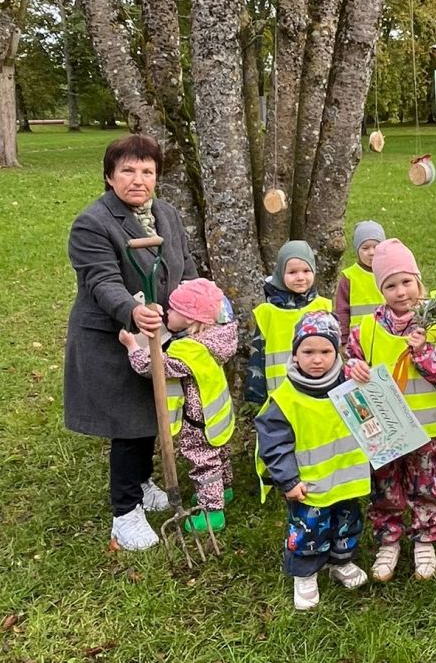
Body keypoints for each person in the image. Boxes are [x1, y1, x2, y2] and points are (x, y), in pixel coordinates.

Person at [64, 134, 199, 551]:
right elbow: (101, 280)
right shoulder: (93, 223)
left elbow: (186, 265)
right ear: (109, 176)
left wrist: (196, 305)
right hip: (112, 335)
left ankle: (141, 483)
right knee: (128, 422)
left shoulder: (166, 214)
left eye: (147, 171)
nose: (138, 179)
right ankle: (125, 513)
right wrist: (133, 311)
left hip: (158, 332)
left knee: (149, 411)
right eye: (128, 170)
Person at [346, 239, 436, 581]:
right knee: (385, 485)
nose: (400, 291)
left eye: (406, 281)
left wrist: (423, 350)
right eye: (391, 285)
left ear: (419, 282)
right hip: (384, 430)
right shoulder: (366, 329)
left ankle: (425, 538)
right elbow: (351, 361)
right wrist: (354, 368)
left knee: (425, 483)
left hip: (426, 428)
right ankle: (389, 538)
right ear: (381, 289)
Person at [255, 311, 371, 610]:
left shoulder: (349, 385)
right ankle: (305, 573)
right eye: (308, 351)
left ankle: (340, 561)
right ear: (295, 354)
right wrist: (288, 480)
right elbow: (274, 445)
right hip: (309, 486)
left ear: (337, 353)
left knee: (347, 523)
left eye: (325, 351)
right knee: (308, 530)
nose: (317, 359)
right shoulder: (285, 397)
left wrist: (359, 369)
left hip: (346, 481)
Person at [120, 278, 238, 533]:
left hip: (198, 420)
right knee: (220, 453)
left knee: (205, 463)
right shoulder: (219, 336)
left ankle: (212, 512)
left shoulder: (189, 350)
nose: (167, 313)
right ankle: (224, 489)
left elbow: (154, 367)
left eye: (173, 310)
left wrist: (132, 347)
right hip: (218, 414)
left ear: (189, 318)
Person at [245, 240, 332, 405]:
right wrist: (255, 393)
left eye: (306, 271)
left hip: (317, 388)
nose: (300, 277)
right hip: (280, 393)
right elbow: (258, 355)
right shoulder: (267, 312)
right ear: (280, 273)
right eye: (292, 272)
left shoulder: (324, 306)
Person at [334, 220, 386, 334]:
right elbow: (342, 311)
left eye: (376, 247)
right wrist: (343, 338)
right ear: (357, 250)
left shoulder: (389, 273)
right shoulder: (349, 277)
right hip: (358, 340)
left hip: (386, 337)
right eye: (365, 248)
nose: (371, 252)